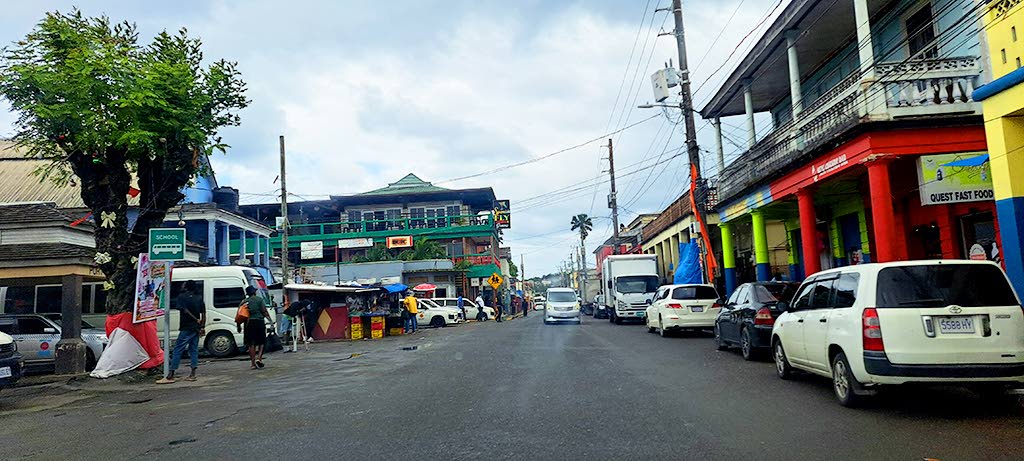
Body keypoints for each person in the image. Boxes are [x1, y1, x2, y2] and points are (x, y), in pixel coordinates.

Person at [156, 281, 205, 384]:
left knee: (178, 349)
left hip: (185, 326)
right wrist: (201, 326)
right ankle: (192, 374)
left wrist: (194, 319)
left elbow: (184, 310)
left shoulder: (182, 297)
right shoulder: (199, 297)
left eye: (184, 284)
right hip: (196, 328)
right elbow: (204, 313)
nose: (182, 285)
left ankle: (171, 373)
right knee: (193, 350)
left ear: (187, 286)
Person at [238, 286, 273, 370]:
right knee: (261, 342)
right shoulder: (259, 300)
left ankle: (253, 364)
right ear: (254, 292)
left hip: (248, 323)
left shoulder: (244, 302)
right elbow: (264, 311)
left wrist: (238, 325)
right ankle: (259, 359)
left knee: (251, 344)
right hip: (259, 322)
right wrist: (270, 321)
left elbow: (239, 315)